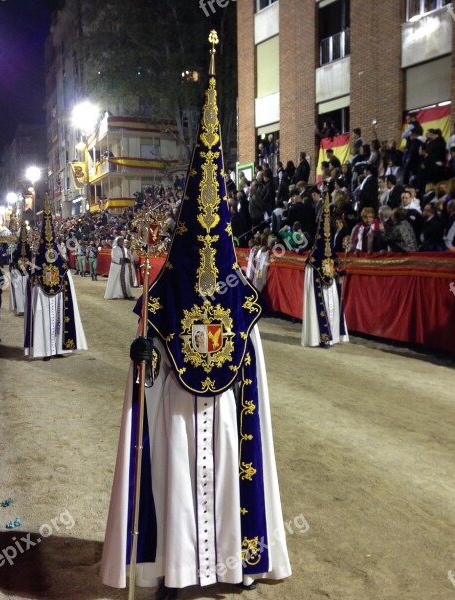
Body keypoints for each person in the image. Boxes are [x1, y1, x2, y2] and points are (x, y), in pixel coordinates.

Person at [101, 47, 291, 598]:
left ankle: (235, 561)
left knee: (233, 475)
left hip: (227, 408)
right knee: (175, 479)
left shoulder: (240, 293)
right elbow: (151, 353)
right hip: (178, 409)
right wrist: (142, 358)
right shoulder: (163, 290)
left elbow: (250, 358)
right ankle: (172, 568)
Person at [24, 195, 87, 361]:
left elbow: (65, 272)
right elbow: (34, 273)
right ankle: (45, 350)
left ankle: (58, 347)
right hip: (43, 294)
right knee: (44, 320)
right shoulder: (37, 257)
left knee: (59, 320)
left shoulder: (58, 257)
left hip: (58, 294)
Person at [301, 192, 349, 348]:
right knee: (323, 306)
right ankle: (322, 337)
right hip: (320, 280)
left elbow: (332, 258)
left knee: (332, 305)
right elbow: (317, 261)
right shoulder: (316, 248)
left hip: (329, 280)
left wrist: (338, 267)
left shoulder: (330, 244)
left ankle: (332, 335)